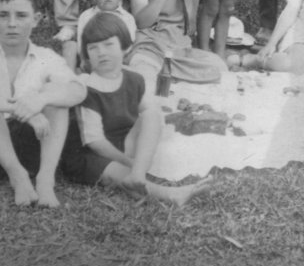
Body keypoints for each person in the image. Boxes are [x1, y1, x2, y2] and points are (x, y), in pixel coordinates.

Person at [61, 12, 214, 206]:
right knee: (114, 171)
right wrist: (128, 163)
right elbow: (96, 142)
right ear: (87, 55)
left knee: (152, 114)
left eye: (108, 45)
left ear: (125, 47)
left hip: (121, 140)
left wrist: (137, 165)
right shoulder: (87, 89)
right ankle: (169, 193)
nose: (101, 53)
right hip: (89, 154)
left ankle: (138, 176)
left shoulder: (134, 79)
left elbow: (150, 113)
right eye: (93, 48)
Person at [0, 0, 86, 207]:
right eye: (4, 15)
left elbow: (78, 90)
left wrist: (40, 99)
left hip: (33, 150)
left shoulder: (47, 57)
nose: (12, 24)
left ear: (36, 19)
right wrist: (15, 108)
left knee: (57, 97)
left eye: (21, 16)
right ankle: (18, 176)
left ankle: (45, 180)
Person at [60, 0, 137, 71]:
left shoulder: (127, 18)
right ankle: (69, 81)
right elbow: (82, 48)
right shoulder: (86, 16)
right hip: (92, 61)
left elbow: (128, 47)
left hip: (118, 63)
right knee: (70, 46)